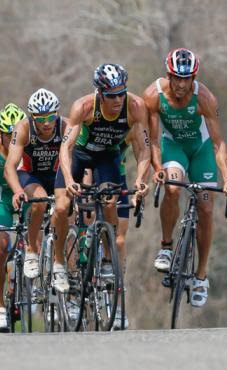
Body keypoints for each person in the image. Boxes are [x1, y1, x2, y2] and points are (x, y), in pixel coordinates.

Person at [55, 63, 151, 329]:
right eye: (111, 95)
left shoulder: (135, 107)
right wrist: (71, 180)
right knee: (62, 207)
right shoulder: (84, 107)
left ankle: (108, 260)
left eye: (121, 93)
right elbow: (66, 148)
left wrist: (141, 180)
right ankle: (59, 263)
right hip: (79, 155)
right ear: (99, 93)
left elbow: (144, 150)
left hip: (108, 156)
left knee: (110, 198)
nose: (117, 100)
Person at [143, 48, 227, 307]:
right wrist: (157, 166)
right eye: (177, 78)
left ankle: (201, 276)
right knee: (173, 189)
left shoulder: (205, 99)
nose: (182, 84)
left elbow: (218, 144)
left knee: (206, 208)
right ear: (169, 75)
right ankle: (166, 245)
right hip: (174, 147)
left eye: (187, 79)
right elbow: (151, 139)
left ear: (194, 77)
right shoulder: (153, 95)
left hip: (201, 150)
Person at [4, 88, 68, 286]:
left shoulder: (65, 126)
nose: (46, 123)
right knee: (39, 202)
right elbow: (9, 166)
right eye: (40, 119)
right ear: (32, 117)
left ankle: (59, 264)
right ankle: (32, 249)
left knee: (64, 209)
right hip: (31, 175)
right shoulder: (23, 128)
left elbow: (77, 159)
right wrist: (17, 191)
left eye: (50, 117)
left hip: (56, 174)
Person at [0, 103, 27, 331]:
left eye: (16, 134)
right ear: (0, 132)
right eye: (8, 134)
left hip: (25, 196)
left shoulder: (27, 145)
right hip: (0, 198)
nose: (12, 139)